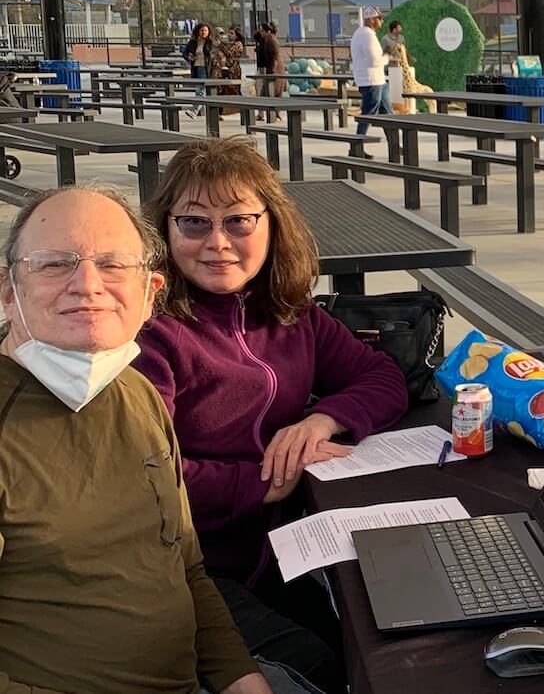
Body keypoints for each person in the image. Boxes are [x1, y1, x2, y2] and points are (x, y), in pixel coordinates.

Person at [133, 137, 410, 694]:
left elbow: (383, 378)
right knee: (324, 665)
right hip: (193, 566)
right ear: (164, 231)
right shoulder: (151, 334)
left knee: (386, 637)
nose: (217, 243)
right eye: (193, 223)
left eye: (238, 221)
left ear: (271, 224)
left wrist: (321, 420)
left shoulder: (289, 312)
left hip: (281, 550)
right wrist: (267, 482)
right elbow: (150, 476)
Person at [0, 186, 285, 694]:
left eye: (113, 265)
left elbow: (185, 567)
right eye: (52, 264)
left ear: (150, 293)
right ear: (8, 290)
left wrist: (240, 677)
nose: (86, 285)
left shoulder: (135, 391)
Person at [350, 6, 389, 153]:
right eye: (379, 18)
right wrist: (387, 58)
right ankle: (356, 147)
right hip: (371, 81)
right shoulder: (368, 35)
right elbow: (374, 61)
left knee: (388, 115)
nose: (382, 21)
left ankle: (394, 144)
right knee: (368, 114)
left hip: (377, 80)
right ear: (372, 19)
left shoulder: (360, 33)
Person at [183, 22, 217, 117]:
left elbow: (215, 54)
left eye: (205, 30)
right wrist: (189, 57)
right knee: (201, 90)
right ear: (198, 31)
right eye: (202, 30)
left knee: (201, 90)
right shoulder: (193, 43)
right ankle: (208, 112)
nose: (203, 32)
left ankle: (195, 111)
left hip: (208, 68)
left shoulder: (211, 43)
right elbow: (185, 53)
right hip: (197, 67)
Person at [254, 23, 281, 97]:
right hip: (267, 68)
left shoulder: (271, 41)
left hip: (270, 70)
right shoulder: (265, 40)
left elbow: (275, 56)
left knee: (270, 90)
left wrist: (273, 70)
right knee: (265, 90)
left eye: (262, 31)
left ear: (268, 31)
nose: (261, 33)